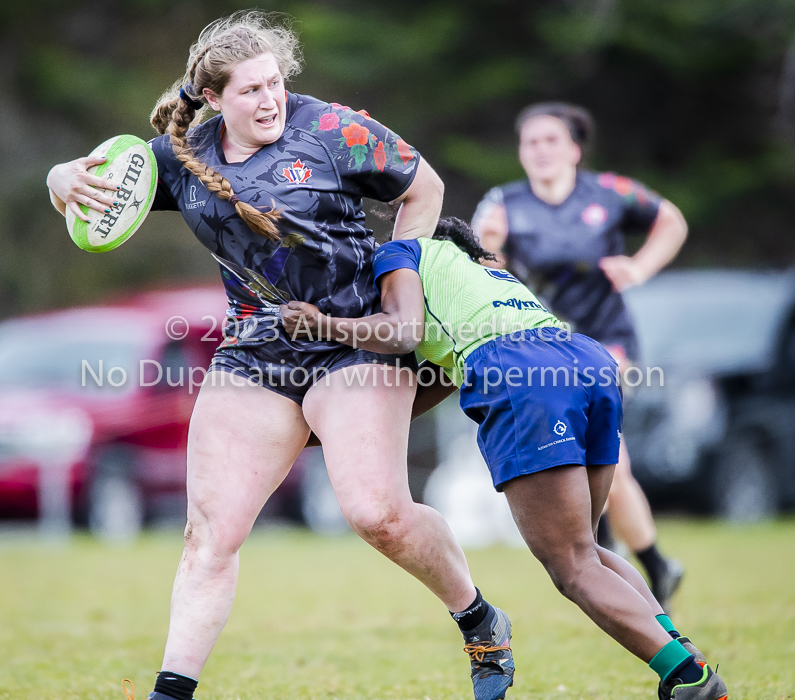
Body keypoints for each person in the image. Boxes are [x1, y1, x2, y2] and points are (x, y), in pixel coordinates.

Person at [45, 12, 513, 700]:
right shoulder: (182, 156)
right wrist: (59, 177)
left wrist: (400, 275)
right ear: (211, 99)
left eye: (275, 84)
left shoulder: (329, 129)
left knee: (376, 514)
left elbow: (424, 188)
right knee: (209, 536)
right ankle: (169, 694)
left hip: (353, 342)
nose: (270, 101)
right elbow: (93, 187)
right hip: (256, 356)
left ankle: (478, 617)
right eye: (250, 91)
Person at [280, 217, 727, 700]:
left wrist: (321, 325)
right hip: (586, 360)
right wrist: (341, 435)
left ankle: (689, 677)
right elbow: (431, 383)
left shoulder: (401, 251)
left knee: (572, 566)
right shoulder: (481, 277)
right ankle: (685, 652)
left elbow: (403, 331)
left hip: (522, 376)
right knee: (589, 551)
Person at [472, 102, 688, 610]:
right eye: (531, 142)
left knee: (614, 461)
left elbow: (671, 221)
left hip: (608, 340)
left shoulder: (609, 193)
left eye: (551, 141)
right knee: (590, 464)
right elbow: (478, 265)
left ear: (574, 149)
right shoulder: (503, 204)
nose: (541, 151)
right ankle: (647, 563)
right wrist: (491, 253)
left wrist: (639, 267)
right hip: (544, 348)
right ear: (521, 152)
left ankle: (639, 564)